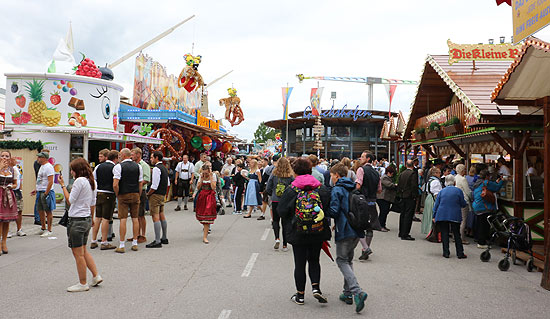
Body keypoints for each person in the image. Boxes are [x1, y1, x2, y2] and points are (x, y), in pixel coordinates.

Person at [277, 157, 331, 306]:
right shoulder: (320, 188)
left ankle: (300, 296)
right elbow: (327, 206)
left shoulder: (292, 189)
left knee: (299, 263)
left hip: (297, 231)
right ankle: (316, 288)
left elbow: (281, 210)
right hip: (317, 230)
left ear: (295, 172)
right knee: (314, 260)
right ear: (310, 170)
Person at [327, 163, 368, 313]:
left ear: (337, 175)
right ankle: (347, 293)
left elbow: (334, 211)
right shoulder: (353, 187)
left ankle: (357, 291)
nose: (331, 177)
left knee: (341, 260)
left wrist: (323, 210)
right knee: (348, 260)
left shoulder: (337, 189)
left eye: (331, 175)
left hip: (344, 229)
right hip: (356, 228)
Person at [58, 158, 102, 292]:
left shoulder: (79, 181)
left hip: (76, 219)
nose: (71, 172)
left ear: (77, 170)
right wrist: (92, 218)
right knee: (83, 250)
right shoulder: (91, 181)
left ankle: (83, 283)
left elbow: (70, 200)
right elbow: (92, 203)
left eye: (72, 169)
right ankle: (96, 275)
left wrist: (63, 186)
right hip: (86, 218)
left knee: (78, 253)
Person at [113, 148, 143, 253]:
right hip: (135, 193)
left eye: (120, 155)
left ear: (123, 155)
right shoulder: (138, 166)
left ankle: (121, 244)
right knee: (135, 218)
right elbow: (140, 183)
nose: (119, 156)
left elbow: (115, 184)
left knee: (123, 219)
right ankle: (135, 242)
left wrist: (117, 194)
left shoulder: (118, 167)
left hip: (123, 194)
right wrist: (139, 194)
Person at [432, 175, 468, 259]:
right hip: (455, 215)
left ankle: (446, 252)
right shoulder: (458, 191)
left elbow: (436, 204)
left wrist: (434, 215)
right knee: (456, 234)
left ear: (445, 182)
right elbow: (463, 203)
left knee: (444, 233)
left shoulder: (442, 191)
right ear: (454, 182)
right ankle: (460, 253)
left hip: (442, 214)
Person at [90, 150, 118, 250]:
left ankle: (93, 240)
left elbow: (93, 179)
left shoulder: (98, 166)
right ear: (116, 158)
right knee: (106, 218)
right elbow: (116, 182)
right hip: (109, 194)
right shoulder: (115, 167)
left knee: (97, 217)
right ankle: (104, 241)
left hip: (99, 193)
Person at [265, 157, 294, 251]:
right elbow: (294, 187)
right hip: (286, 202)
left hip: (275, 200)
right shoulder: (290, 175)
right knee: (286, 222)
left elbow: (268, 187)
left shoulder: (274, 174)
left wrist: (272, 194)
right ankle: (285, 244)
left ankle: (277, 238)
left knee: (276, 220)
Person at [355, 151, 380, 260]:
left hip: (362, 201)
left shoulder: (361, 170)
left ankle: (365, 248)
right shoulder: (376, 173)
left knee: (358, 225)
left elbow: (358, 186)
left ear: (368, 159)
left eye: (362, 157)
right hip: (372, 201)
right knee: (370, 228)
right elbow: (379, 190)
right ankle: (366, 248)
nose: (360, 158)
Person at [472, 169, 504, 249]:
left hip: (477, 205)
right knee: (484, 225)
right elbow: (496, 188)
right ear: (487, 176)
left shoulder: (478, 182)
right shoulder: (486, 182)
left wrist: (496, 182)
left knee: (479, 224)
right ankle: (481, 242)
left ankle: (479, 239)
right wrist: (502, 181)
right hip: (484, 206)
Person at [146, 151, 170, 248]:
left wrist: (148, 193)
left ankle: (157, 240)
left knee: (155, 216)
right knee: (161, 215)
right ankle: (164, 237)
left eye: (152, 157)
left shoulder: (156, 169)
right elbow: (167, 183)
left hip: (155, 195)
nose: (151, 159)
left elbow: (154, 185)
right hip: (162, 194)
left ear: (156, 158)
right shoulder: (164, 168)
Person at [32, 151, 56, 237]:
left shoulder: (49, 167)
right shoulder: (42, 166)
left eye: (39, 157)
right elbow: (40, 180)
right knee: (40, 210)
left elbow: (50, 181)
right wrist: (36, 189)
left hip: (46, 192)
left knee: (48, 210)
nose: (37, 158)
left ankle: (49, 230)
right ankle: (43, 228)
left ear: (44, 158)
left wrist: (46, 193)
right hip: (40, 191)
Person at [193, 163, 217, 244]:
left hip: (209, 197)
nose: (205, 174)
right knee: (203, 216)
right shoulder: (201, 176)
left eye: (206, 173)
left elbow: (213, 187)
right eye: (203, 172)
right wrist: (202, 179)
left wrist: (210, 177)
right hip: (202, 196)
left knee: (207, 217)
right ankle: (206, 230)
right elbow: (198, 187)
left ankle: (205, 237)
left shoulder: (213, 175)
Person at [0, 151, 18, 254]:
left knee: (6, 221)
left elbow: (16, 184)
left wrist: (12, 186)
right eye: (2, 156)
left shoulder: (13, 169)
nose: (4, 158)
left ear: (10, 158)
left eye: (7, 156)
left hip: (8, 194)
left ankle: (4, 242)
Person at [132, 148, 150, 244]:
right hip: (135, 191)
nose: (132, 156)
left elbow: (146, 179)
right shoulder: (134, 165)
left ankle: (143, 235)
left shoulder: (144, 165)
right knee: (135, 214)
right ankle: (136, 234)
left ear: (139, 154)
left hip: (142, 191)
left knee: (141, 214)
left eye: (133, 154)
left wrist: (137, 184)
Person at [397, 160, 419, 240]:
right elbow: (414, 186)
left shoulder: (402, 173)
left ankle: (401, 232)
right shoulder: (413, 174)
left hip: (403, 196)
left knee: (402, 214)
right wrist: (415, 196)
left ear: (406, 165)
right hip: (410, 197)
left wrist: (400, 194)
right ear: (413, 165)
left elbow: (399, 185)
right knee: (408, 215)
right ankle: (405, 233)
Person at [421, 167, 442, 235]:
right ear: (435, 173)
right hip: (433, 198)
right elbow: (436, 193)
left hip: (428, 197)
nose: (440, 174)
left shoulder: (430, 180)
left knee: (428, 214)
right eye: (439, 173)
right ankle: (432, 231)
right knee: (432, 214)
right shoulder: (436, 181)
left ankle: (428, 230)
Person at [454, 164, 472, 245]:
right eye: (464, 169)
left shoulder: (455, 177)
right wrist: (471, 197)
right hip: (464, 200)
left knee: (457, 219)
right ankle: (461, 238)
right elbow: (467, 191)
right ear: (462, 171)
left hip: (456, 200)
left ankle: (456, 236)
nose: (465, 171)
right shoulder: (463, 179)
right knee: (463, 220)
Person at [9, 155, 26, 237]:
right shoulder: (6, 169)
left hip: (17, 192)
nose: (15, 161)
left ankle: (19, 229)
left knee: (19, 210)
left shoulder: (16, 168)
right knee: (8, 211)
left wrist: (21, 190)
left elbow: (19, 180)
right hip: (10, 191)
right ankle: (7, 230)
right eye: (13, 160)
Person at [376, 165, 397, 232]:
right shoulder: (384, 178)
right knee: (383, 211)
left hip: (385, 198)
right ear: (388, 172)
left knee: (385, 211)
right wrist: (395, 185)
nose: (392, 175)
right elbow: (389, 185)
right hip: (382, 197)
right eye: (391, 173)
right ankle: (380, 225)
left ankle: (382, 225)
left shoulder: (386, 177)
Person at [32, 149, 50, 225]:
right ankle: (37, 218)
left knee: (42, 204)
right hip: (41, 186)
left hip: (43, 186)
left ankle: (41, 219)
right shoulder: (38, 163)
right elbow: (40, 176)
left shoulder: (46, 165)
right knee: (38, 203)